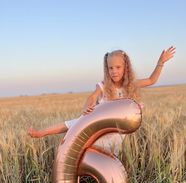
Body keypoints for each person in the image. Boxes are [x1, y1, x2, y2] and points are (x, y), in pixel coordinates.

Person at [28, 47, 175, 151]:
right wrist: (87, 106)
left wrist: (160, 62)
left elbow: (151, 80)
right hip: (96, 128)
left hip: (113, 135)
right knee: (74, 124)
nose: (114, 71)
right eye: (110, 68)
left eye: (118, 67)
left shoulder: (131, 85)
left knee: (106, 159)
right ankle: (40, 133)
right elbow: (92, 96)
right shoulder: (104, 86)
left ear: (125, 68)